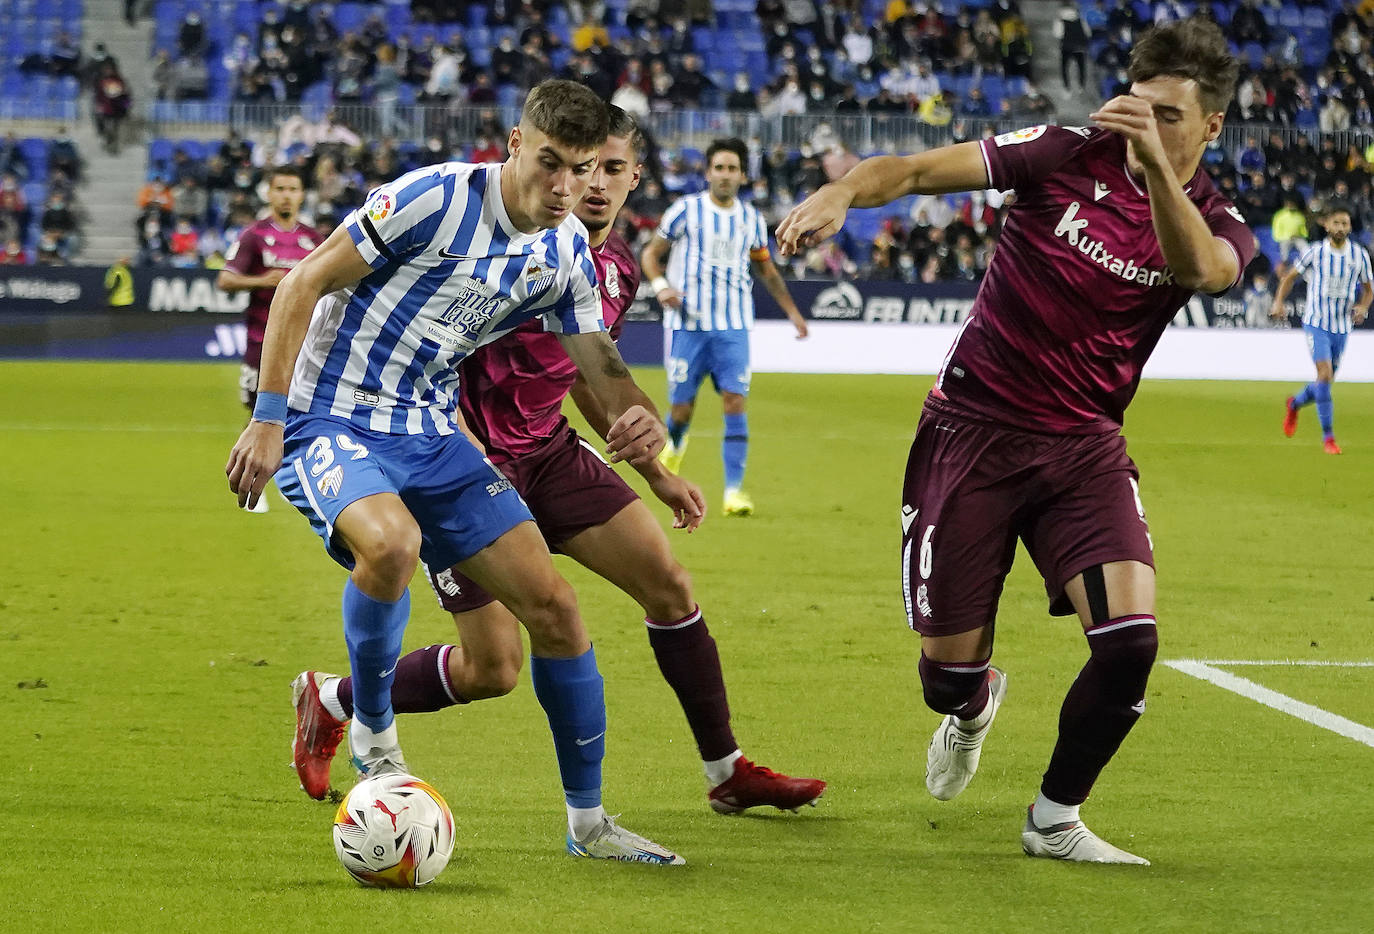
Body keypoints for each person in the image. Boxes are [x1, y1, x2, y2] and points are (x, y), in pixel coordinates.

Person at [775, 17, 1252, 865]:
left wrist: (1154, 177)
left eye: (1169, 116)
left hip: (1083, 449)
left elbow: (1201, 271)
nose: (1142, 125)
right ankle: (973, 701)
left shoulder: (1214, 217)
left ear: (1212, 125)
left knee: (1129, 645)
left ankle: (1054, 819)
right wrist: (846, 190)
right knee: (944, 679)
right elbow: (919, 168)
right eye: (1137, 107)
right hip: (971, 435)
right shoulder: (1065, 151)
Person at [290, 107, 826, 818]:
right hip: (461, 450)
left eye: (608, 169)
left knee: (667, 581)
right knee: (494, 668)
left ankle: (725, 769)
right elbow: (429, 341)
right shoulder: (493, 235)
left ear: (636, 177)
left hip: (547, 450)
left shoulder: (610, 267)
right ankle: (336, 698)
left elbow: (585, 373)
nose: (591, 184)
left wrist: (657, 468)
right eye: (579, 166)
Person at [226, 79, 683, 865]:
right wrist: (268, 418)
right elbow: (302, 283)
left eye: (582, 169)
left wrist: (640, 419)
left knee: (556, 610)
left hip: (431, 430)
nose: (566, 187)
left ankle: (590, 824)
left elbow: (596, 361)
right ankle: (375, 737)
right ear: (513, 144)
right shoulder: (430, 199)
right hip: (329, 414)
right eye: (550, 164)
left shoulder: (567, 245)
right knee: (392, 546)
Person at [641, 137, 809, 517]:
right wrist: (661, 286)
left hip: (734, 327)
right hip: (688, 326)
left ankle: (734, 492)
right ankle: (677, 446)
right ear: (707, 172)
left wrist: (793, 313)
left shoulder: (751, 219)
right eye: (719, 168)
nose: (725, 175)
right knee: (681, 408)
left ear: (743, 175)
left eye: (732, 168)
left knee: (735, 401)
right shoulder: (684, 211)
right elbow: (651, 254)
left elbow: (764, 267)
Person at [216, 166, 323, 512]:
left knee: (305, 414)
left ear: (302, 194)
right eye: (280, 188)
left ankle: (298, 479)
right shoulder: (254, 236)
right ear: (269, 193)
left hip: (306, 345)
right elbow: (226, 280)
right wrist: (266, 281)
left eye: (293, 188)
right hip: (261, 344)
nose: (286, 195)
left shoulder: (314, 239)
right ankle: (251, 484)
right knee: (258, 416)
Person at [1271, 203, 1373, 454]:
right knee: (1325, 374)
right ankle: (1329, 439)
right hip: (1316, 322)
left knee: (1324, 381)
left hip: (1342, 326)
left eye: (1345, 223)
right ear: (1327, 225)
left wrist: (1362, 307)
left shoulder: (1358, 255)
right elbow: (1290, 276)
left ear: (1350, 227)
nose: (1340, 227)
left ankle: (1294, 403)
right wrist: (1278, 302)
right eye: (1336, 223)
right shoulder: (1315, 252)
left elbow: (1369, 289)